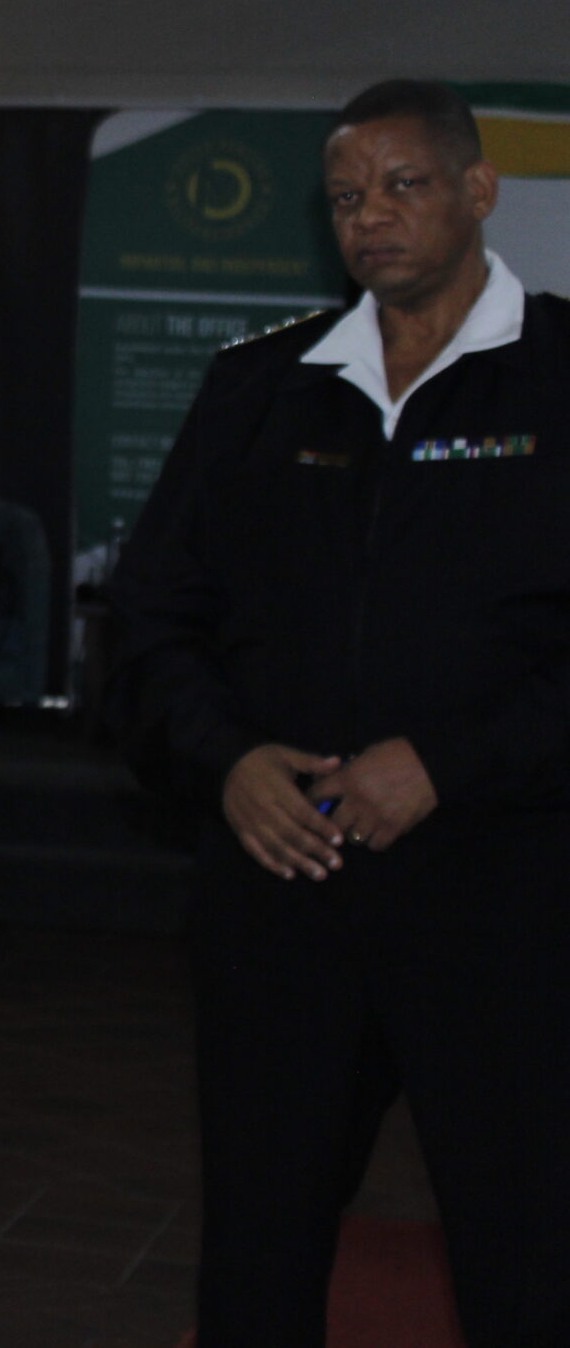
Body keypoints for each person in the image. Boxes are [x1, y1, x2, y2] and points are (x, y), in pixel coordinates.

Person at [111, 80, 570, 1347]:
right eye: (347, 197)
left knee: (527, 1251)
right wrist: (224, 762)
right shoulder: (261, 388)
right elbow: (150, 622)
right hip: (284, 903)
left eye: (403, 185)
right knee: (257, 1249)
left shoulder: (559, 377)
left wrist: (449, 765)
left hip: (507, 904)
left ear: (478, 191)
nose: (371, 216)